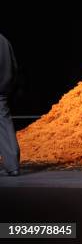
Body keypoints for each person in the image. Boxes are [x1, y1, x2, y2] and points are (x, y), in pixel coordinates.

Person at [0, 33, 21, 176]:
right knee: (4, 124)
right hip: (3, 88)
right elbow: (14, 65)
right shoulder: (4, 40)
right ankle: (13, 166)